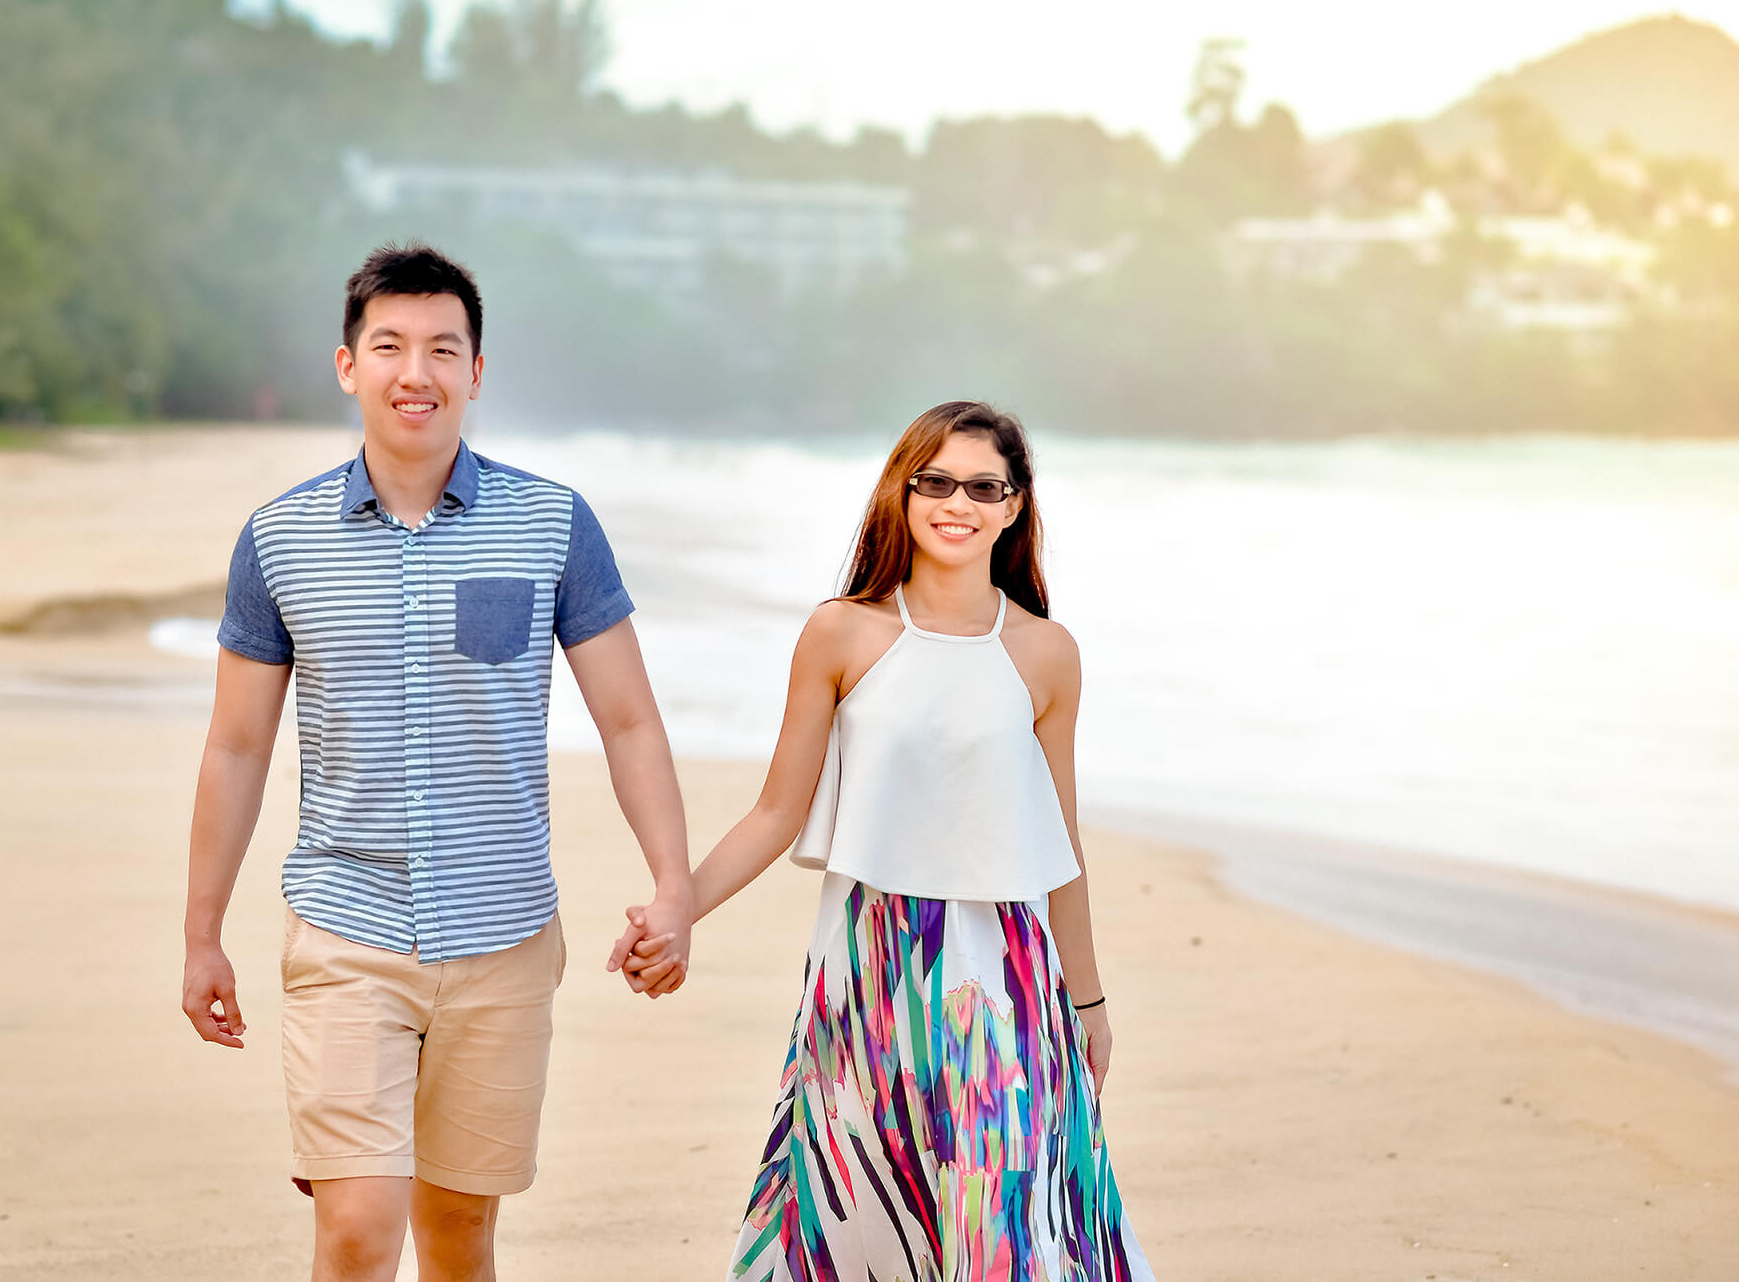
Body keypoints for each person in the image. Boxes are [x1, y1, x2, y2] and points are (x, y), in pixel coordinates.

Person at [182, 242, 694, 1282]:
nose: (414, 372)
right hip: (345, 931)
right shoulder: (279, 539)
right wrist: (201, 933)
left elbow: (629, 720)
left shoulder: (552, 523)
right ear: (346, 365)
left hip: (504, 934)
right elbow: (236, 744)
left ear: (474, 370)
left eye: (440, 349)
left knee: (459, 1238)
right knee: (359, 1229)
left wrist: (673, 886)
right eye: (389, 347)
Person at [612, 400, 1154, 1278]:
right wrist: (679, 909)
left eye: (984, 487)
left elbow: (1062, 847)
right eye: (934, 481)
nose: (957, 503)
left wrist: (1086, 1005)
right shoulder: (842, 632)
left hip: (1004, 978)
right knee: (863, 1218)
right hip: (868, 971)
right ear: (900, 493)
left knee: (1002, 1223)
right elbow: (776, 812)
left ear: (1014, 506)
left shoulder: (1046, 652)